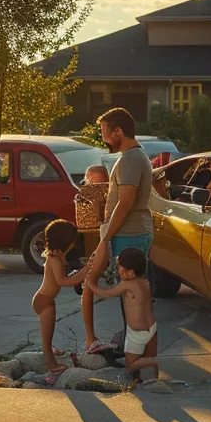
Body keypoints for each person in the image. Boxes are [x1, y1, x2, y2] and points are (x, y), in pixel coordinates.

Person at [81, 107, 153, 354]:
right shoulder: (134, 157)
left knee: (131, 296)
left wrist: (107, 238)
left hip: (129, 234)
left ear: (119, 131)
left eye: (105, 133)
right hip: (131, 232)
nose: (104, 139)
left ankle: (133, 351)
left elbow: (126, 202)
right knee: (133, 294)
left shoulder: (131, 159)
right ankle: (130, 344)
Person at [83, 247, 158, 382]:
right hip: (152, 328)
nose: (118, 271)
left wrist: (90, 284)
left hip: (137, 332)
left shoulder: (127, 285)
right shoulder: (145, 282)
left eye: (120, 268)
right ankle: (153, 377)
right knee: (150, 358)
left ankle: (141, 373)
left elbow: (107, 293)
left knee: (131, 366)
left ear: (130, 273)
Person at [31, 219, 91, 379]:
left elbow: (64, 277)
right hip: (44, 301)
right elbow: (62, 281)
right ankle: (52, 366)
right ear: (67, 241)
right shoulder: (55, 258)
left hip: (46, 300)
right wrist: (84, 272)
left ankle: (51, 354)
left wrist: (79, 273)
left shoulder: (58, 255)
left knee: (48, 335)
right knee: (46, 338)